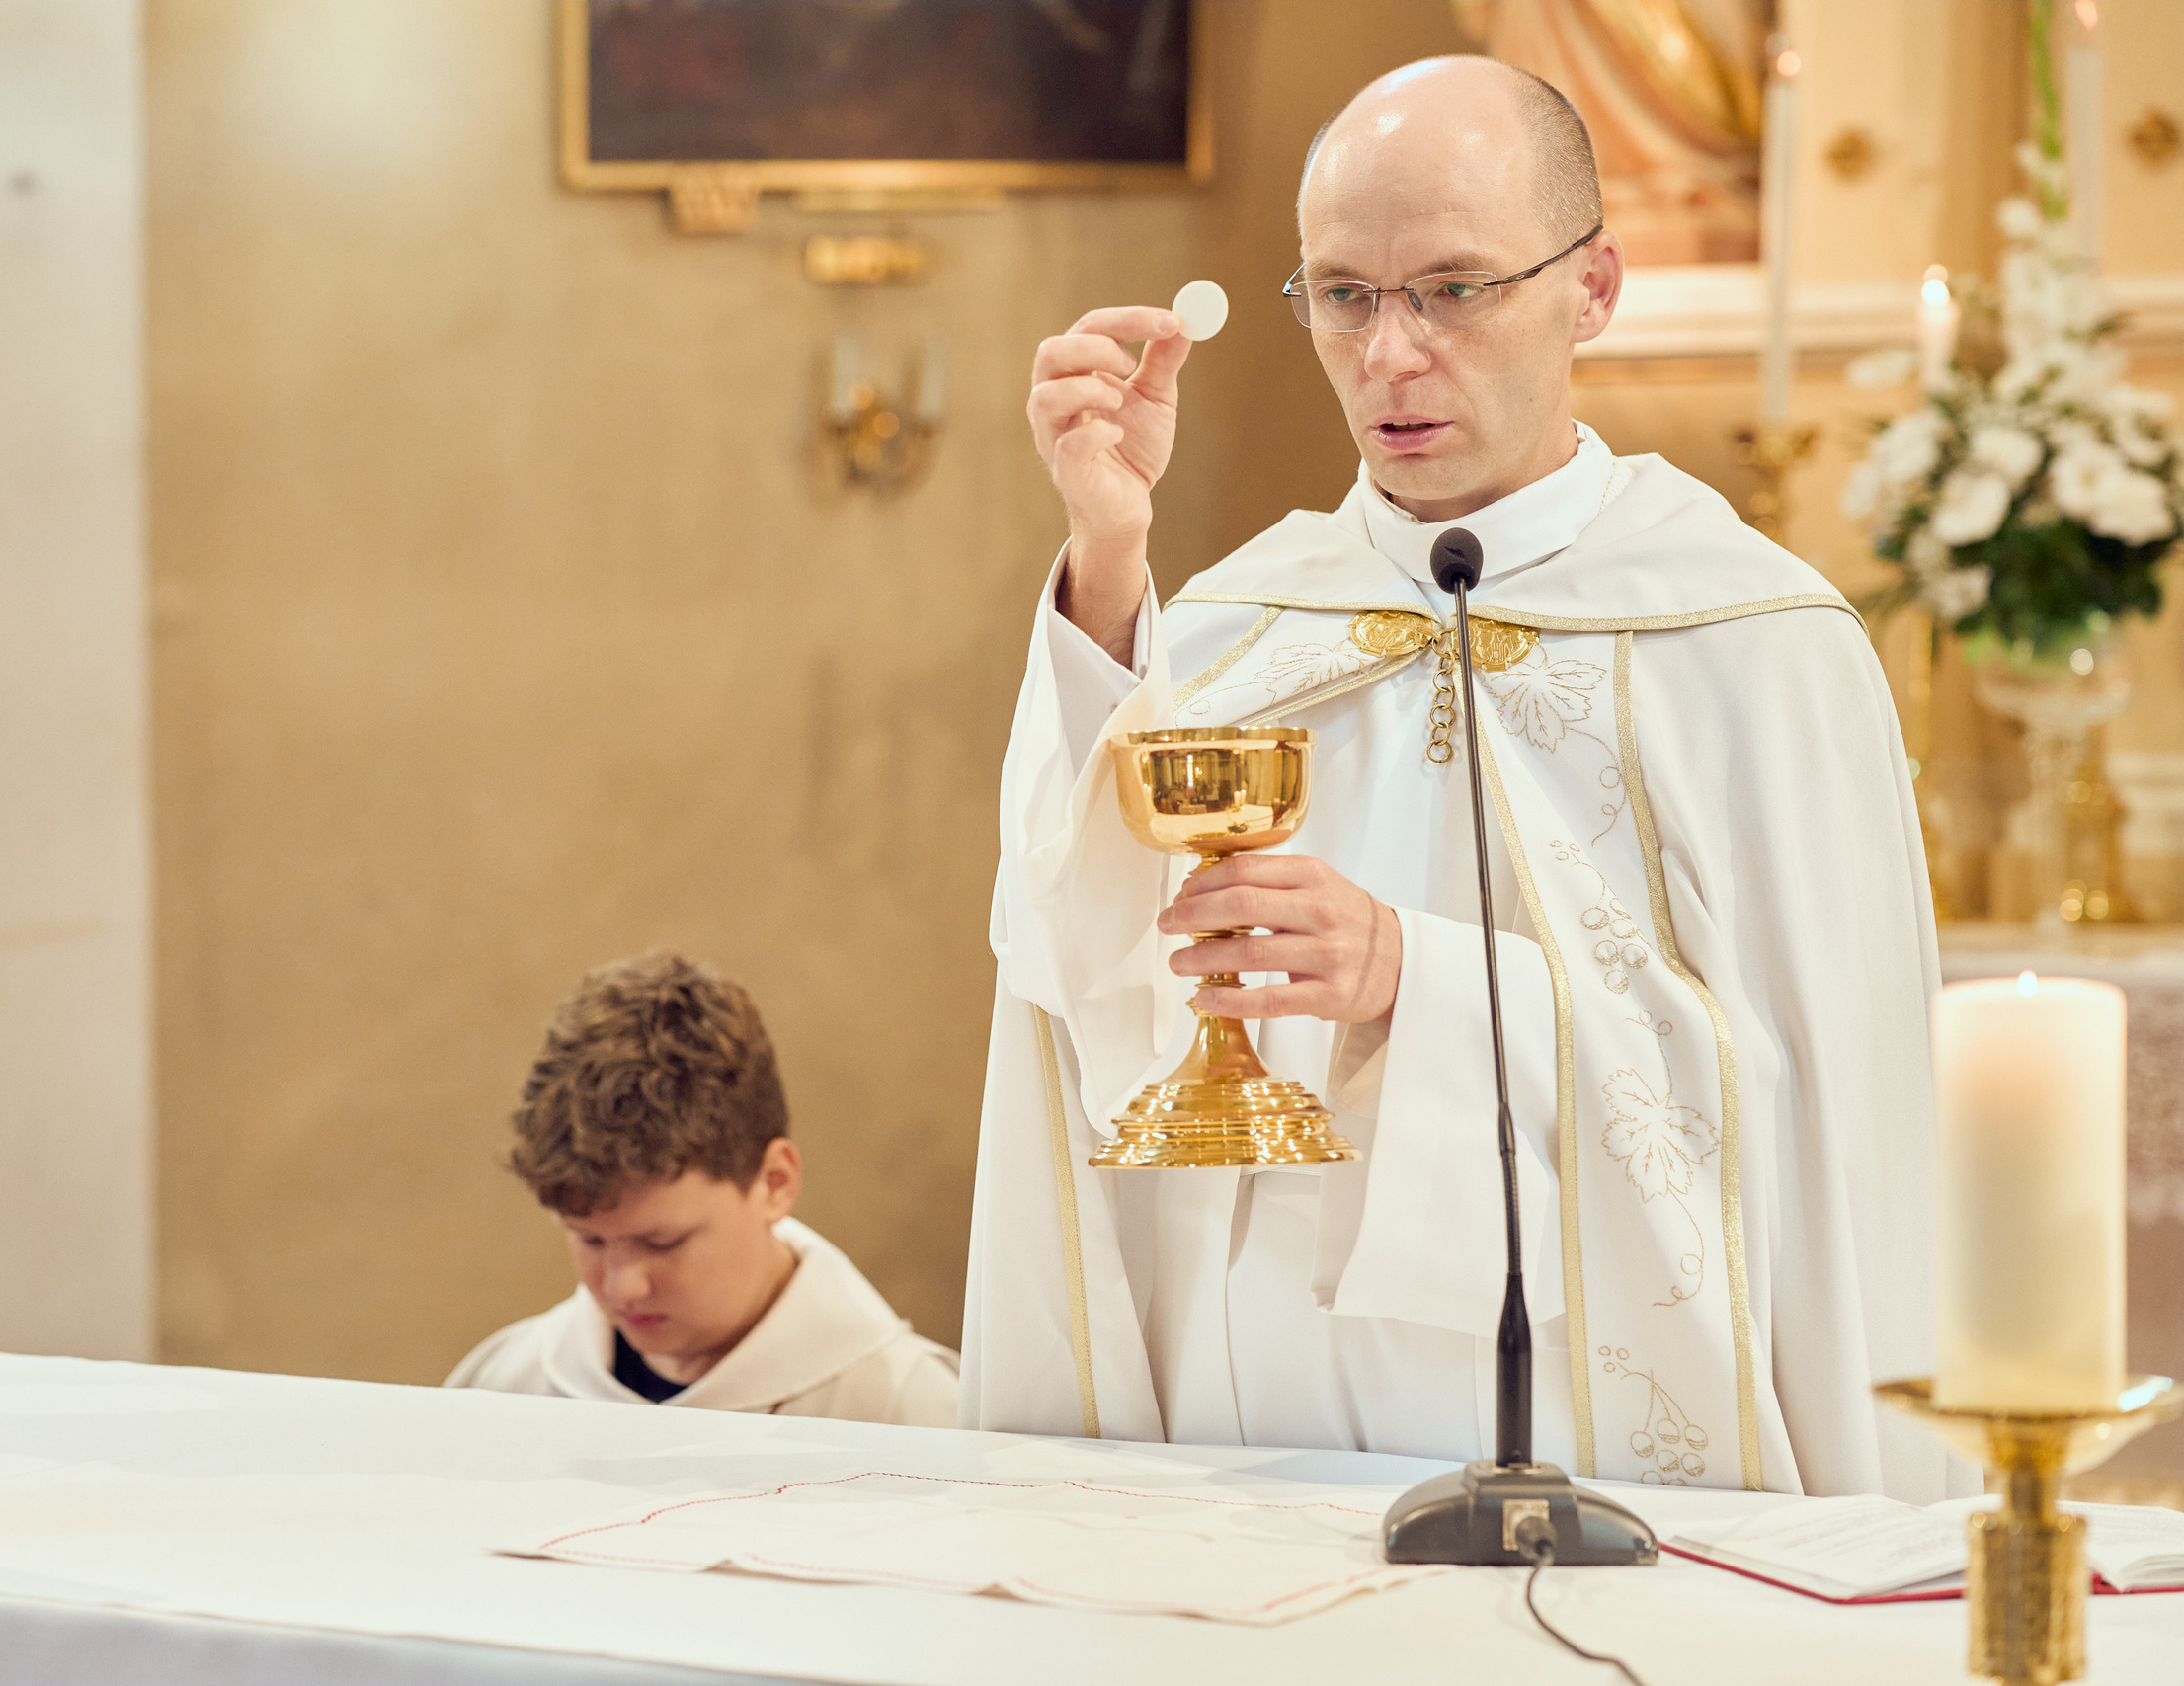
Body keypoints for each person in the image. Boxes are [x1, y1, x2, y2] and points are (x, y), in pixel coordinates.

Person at [963, 55, 1968, 1501]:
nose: (1391, 355)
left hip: (1619, 1499)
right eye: (1346, 294)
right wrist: (1113, 566)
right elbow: (1076, 981)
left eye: (1454, 289)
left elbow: (1810, 1135)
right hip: (1256, 1473)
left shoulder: (1761, 647)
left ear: (1594, 286)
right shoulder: (1237, 628)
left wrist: (1408, 984)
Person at [447, 952, 956, 1426]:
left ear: (774, 1183)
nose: (622, 1287)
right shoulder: (504, 1391)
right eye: (590, 1239)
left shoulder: (911, 1415)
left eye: (663, 1242)